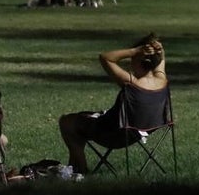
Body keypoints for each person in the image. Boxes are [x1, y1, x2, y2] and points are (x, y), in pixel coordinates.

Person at [58, 33, 168, 175]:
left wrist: (134, 51)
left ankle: (81, 170)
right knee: (81, 118)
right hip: (137, 134)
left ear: (138, 60)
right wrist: (159, 50)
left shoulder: (132, 83)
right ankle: (74, 167)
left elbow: (105, 57)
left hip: (113, 135)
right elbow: (161, 61)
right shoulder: (162, 81)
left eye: (132, 59)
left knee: (67, 122)